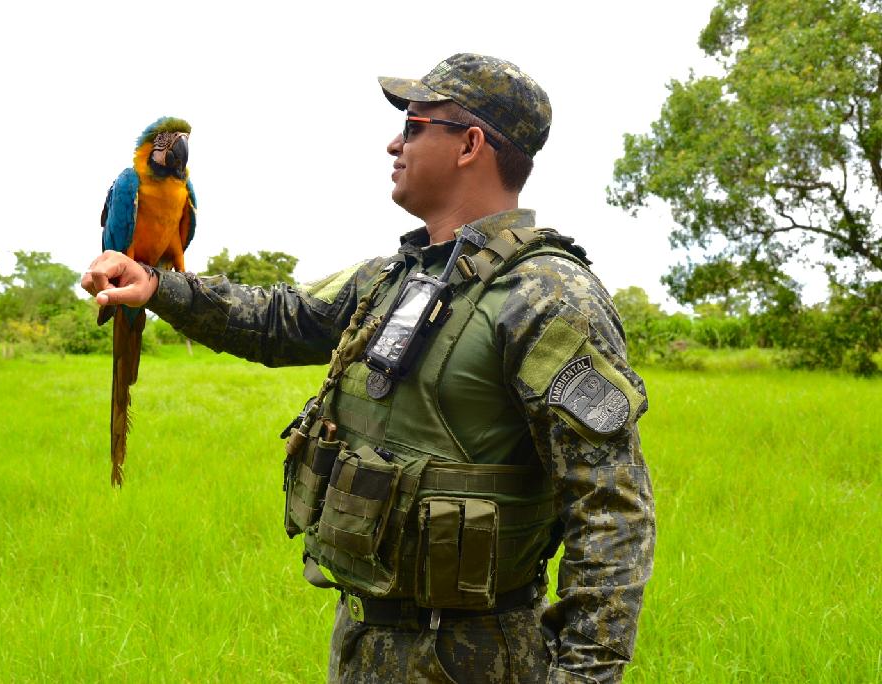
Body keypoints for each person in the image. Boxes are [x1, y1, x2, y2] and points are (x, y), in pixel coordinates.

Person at [82, 53, 655, 684]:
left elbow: (612, 512)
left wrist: (582, 677)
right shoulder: (394, 277)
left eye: (413, 127)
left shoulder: (548, 297)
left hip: (475, 658)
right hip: (362, 642)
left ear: (469, 145)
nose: (393, 143)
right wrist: (156, 286)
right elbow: (283, 318)